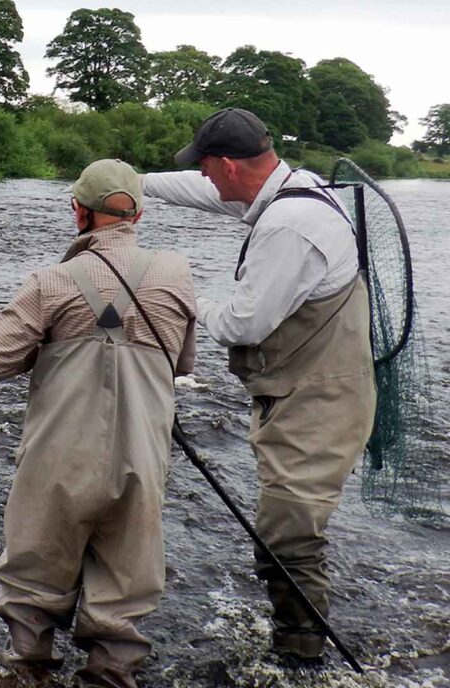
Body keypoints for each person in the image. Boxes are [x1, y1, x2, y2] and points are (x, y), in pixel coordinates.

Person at [143, 108, 376, 661]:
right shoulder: (296, 188)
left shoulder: (289, 227)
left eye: (205, 167)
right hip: (309, 387)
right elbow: (204, 194)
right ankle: (298, 640)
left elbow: (241, 325)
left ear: (227, 165)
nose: (203, 178)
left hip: (319, 400)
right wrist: (135, 182)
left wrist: (175, 298)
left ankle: (301, 653)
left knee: (286, 533)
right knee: (287, 527)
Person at [0, 159, 197, 688]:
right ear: (138, 213)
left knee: (32, 585)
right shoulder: (176, 273)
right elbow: (182, 364)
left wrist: (47, 341)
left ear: (79, 211)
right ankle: (112, 672)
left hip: (58, 461)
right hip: (142, 460)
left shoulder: (50, 281)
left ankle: (27, 670)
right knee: (123, 599)